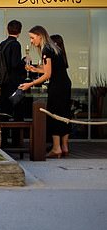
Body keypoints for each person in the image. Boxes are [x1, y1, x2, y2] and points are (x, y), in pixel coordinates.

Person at [19, 27, 72, 158]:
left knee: (53, 115)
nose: (31, 41)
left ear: (40, 36)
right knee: (64, 114)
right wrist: (35, 70)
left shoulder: (46, 50)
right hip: (65, 84)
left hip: (57, 86)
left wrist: (29, 84)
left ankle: (56, 148)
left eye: (32, 37)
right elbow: (52, 69)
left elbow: (48, 74)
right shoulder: (54, 48)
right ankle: (64, 147)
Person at [0, 20, 27, 121]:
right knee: (17, 112)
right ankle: (16, 136)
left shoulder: (2, 44)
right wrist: (24, 61)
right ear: (19, 31)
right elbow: (15, 64)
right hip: (13, 83)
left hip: (3, 82)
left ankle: (3, 136)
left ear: (7, 29)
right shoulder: (15, 45)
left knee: (4, 113)